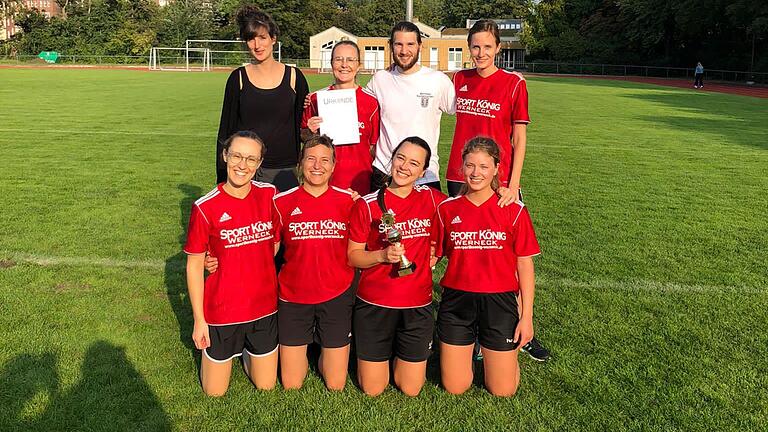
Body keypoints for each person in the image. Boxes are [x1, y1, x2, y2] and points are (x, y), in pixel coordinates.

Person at [446, 19, 549, 362]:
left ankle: (522, 326)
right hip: (460, 178)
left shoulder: (513, 84)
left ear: (498, 49)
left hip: (499, 183)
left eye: (487, 47)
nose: (480, 53)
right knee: (469, 253)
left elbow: (519, 139)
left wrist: (513, 183)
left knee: (505, 255)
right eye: (475, 46)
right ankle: (471, 331)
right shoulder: (459, 80)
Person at [433, 137, 540, 397]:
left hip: (500, 302)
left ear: (496, 169)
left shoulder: (513, 209)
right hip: (457, 302)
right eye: (470, 166)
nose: (475, 173)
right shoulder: (447, 209)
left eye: (483, 166)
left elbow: (525, 266)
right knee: (455, 387)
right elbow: (433, 255)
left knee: (502, 390)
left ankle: (502, 357)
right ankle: (473, 348)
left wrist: (526, 318)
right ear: (462, 167)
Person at [347, 136, 446, 397]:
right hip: (374, 304)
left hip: (416, 305)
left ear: (423, 171)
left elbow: (465, 211)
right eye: (400, 158)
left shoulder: (433, 200)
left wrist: (501, 189)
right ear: (391, 159)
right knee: (372, 388)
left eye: (414, 163)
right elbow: (353, 256)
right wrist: (381, 256)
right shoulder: (367, 205)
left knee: (411, 388)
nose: (404, 167)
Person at [184, 131, 280, 396]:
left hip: (263, 308)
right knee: (214, 392)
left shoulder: (269, 195)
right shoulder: (205, 207)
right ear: (225, 156)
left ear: (259, 163)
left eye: (251, 159)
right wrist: (199, 320)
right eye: (236, 155)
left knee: (266, 385)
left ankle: (249, 351)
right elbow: (193, 265)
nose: (242, 165)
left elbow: (275, 242)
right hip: (222, 311)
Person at [272, 135, 357, 391]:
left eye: (324, 160)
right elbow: (266, 248)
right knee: (291, 383)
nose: (317, 166)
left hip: (336, 294)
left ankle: (325, 352)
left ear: (333, 166)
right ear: (301, 163)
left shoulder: (350, 202)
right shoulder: (281, 202)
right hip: (293, 296)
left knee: (335, 383)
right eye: (310, 159)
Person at [216, 5, 309, 192]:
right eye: (251, 39)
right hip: (246, 169)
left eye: (262, 37)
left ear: (273, 38)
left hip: (284, 170)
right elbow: (225, 132)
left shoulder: (294, 77)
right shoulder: (238, 78)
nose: (257, 45)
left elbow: (304, 128)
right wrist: (221, 178)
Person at [363, 21, 455, 191]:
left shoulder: (437, 80)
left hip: (424, 173)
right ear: (391, 46)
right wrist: (319, 98)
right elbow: (356, 107)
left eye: (410, 44)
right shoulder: (380, 79)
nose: (404, 51)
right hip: (384, 172)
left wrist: (504, 77)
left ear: (420, 45)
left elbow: (469, 107)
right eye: (398, 44)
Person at [301, 41, 380, 195]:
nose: (344, 65)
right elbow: (304, 138)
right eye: (338, 59)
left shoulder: (372, 102)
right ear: (331, 63)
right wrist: (309, 131)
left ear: (359, 65)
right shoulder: (316, 99)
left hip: (359, 182)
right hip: (323, 182)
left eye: (350, 60)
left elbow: (373, 147)